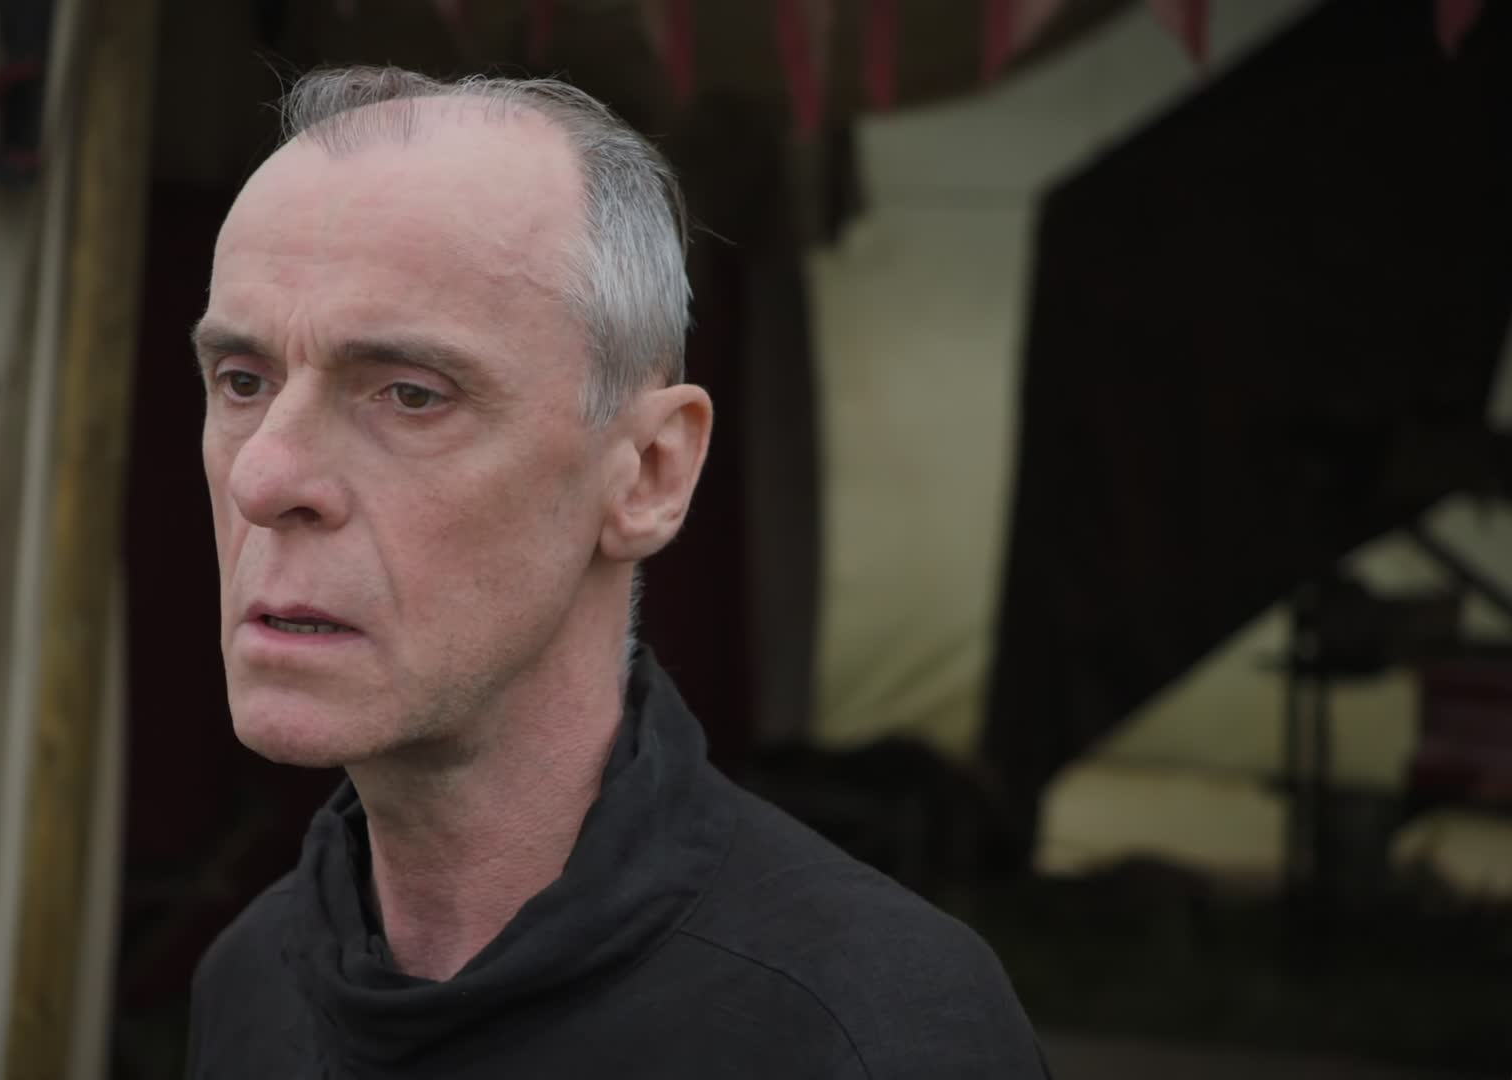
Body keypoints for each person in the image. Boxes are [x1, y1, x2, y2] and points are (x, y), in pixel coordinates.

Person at [185, 65, 1051, 1079]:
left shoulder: (875, 1028)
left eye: (411, 394)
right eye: (241, 381)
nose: (264, 476)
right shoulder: (251, 984)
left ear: (648, 471)